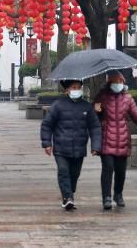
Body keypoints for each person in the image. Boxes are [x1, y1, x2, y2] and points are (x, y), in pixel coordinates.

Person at [40, 79, 102, 211]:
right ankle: (67, 197)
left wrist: (95, 146)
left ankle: (69, 192)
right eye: (73, 87)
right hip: (61, 147)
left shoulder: (86, 107)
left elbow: (95, 127)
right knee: (63, 171)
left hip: (79, 148)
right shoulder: (58, 105)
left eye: (79, 87)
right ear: (67, 90)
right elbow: (47, 125)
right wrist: (46, 143)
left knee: (74, 173)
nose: (76, 90)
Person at [93, 70, 137, 210]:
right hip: (107, 137)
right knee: (107, 168)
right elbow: (93, 115)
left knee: (121, 171)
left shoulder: (128, 98)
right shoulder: (102, 96)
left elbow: (135, 113)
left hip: (123, 138)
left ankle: (118, 194)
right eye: (115, 81)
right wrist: (96, 109)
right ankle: (106, 197)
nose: (117, 84)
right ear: (109, 83)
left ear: (123, 83)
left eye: (120, 81)